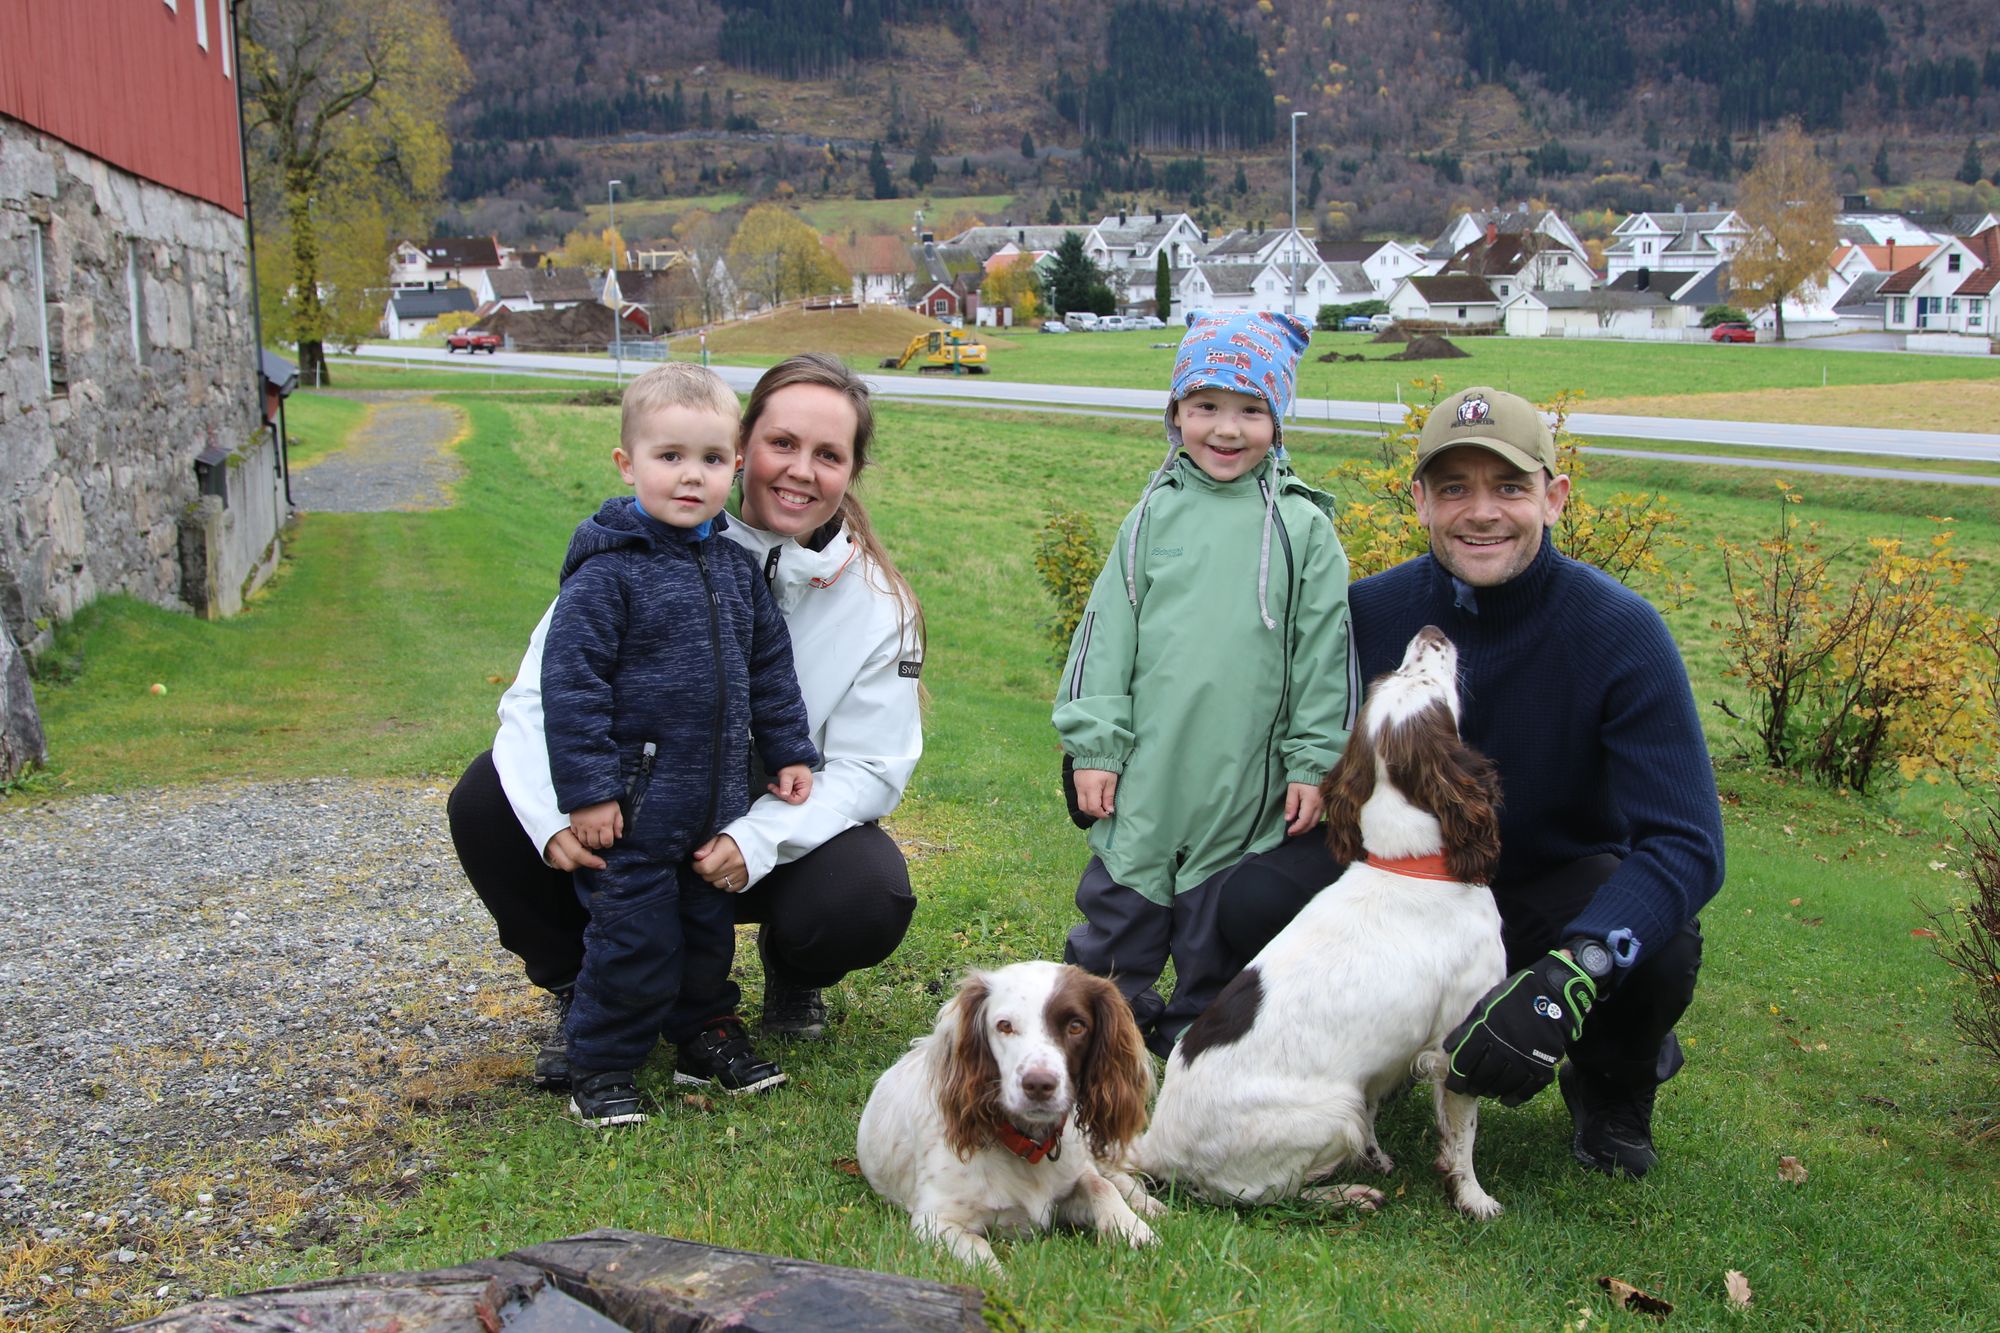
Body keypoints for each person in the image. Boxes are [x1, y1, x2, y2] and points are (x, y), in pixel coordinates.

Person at [1215, 384, 1724, 1178]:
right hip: (1398, 886)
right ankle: (1284, 1073)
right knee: (1251, 895)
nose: (1480, 512)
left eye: (1509, 487)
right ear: (1419, 500)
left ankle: (1615, 1083)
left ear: (1554, 497)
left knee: (1657, 941)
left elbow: (1689, 844)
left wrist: (1569, 976)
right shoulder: (1370, 613)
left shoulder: (1623, 633)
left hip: (1545, 889)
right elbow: (1272, 731)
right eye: (1454, 488)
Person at [448, 353, 925, 1106]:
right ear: (747, 449)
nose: (800, 470)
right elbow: (540, 698)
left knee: (866, 890)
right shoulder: (632, 554)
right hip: (631, 825)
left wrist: (755, 838)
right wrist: (554, 818)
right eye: (783, 443)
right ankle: (585, 984)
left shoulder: (877, 603)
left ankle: (782, 979)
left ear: (850, 471)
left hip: (754, 842)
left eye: (828, 455)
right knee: (485, 797)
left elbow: (871, 766)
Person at [1054, 309, 1356, 1060]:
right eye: (1206, 406)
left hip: (1240, 786)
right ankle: (1094, 1046)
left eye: (1251, 410)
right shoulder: (1154, 513)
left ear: (1278, 419)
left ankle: (1195, 1048)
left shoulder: (1303, 530)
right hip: (1147, 776)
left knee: (1214, 933)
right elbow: (1105, 631)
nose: (1227, 429)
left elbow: (1326, 661)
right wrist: (1094, 742)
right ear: (1177, 413)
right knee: (1118, 919)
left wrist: (1315, 762)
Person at [540, 363, 819, 1126]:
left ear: (734, 464)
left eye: (709, 459)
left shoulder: (734, 571)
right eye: (669, 457)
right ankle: (599, 1067)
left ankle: (703, 1039)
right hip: (633, 809)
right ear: (628, 465)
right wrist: (591, 791)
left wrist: (791, 750)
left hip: (714, 803)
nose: (689, 476)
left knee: (704, 935)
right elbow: (571, 688)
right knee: (633, 941)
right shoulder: (607, 574)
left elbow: (770, 670)